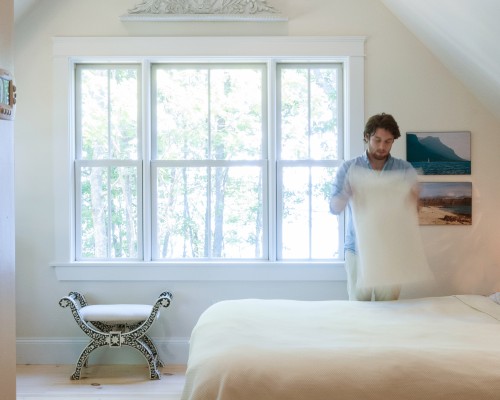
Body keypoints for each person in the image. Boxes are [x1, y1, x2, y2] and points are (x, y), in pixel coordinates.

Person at [330, 113, 418, 301]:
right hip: (357, 250)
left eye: (388, 141)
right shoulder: (349, 168)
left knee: (388, 309)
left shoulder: (404, 169)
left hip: (391, 250)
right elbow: (334, 208)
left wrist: (413, 200)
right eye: (377, 140)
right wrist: (346, 193)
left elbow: (414, 211)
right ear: (366, 136)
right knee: (358, 310)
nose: (382, 147)